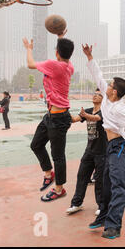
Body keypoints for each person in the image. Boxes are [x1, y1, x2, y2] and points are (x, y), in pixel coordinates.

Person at [83, 44, 125, 239]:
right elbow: (98, 75)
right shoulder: (106, 96)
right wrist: (89, 56)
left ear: (115, 92)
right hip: (109, 146)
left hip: (119, 146)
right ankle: (103, 217)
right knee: (104, 183)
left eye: (111, 85)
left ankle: (113, 226)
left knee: (118, 185)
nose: (107, 85)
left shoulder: (120, 109)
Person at [23, 33, 74, 202]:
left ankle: (59, 189)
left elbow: (30, 64)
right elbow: (65, 54)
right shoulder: (68, 66)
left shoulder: (54, 65)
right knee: (36, 144)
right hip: (51, 116)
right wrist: (60, 36)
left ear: (57, 53)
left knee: (58, 156)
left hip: (59, 119)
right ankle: (48, 173)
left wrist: (29, 49)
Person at [66, 89, 107, 216]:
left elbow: (96, 118)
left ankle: (102, 206)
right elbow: (73, 119)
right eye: (94, 94)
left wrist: (85, 115)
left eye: (98, 94)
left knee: (100, 180)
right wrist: (63, 109)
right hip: (89, 150)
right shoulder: (88, 110)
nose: (95, 96)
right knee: (82, 176)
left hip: (102, 151)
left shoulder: (105, 111)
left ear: (103, 98)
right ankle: (77, 203)